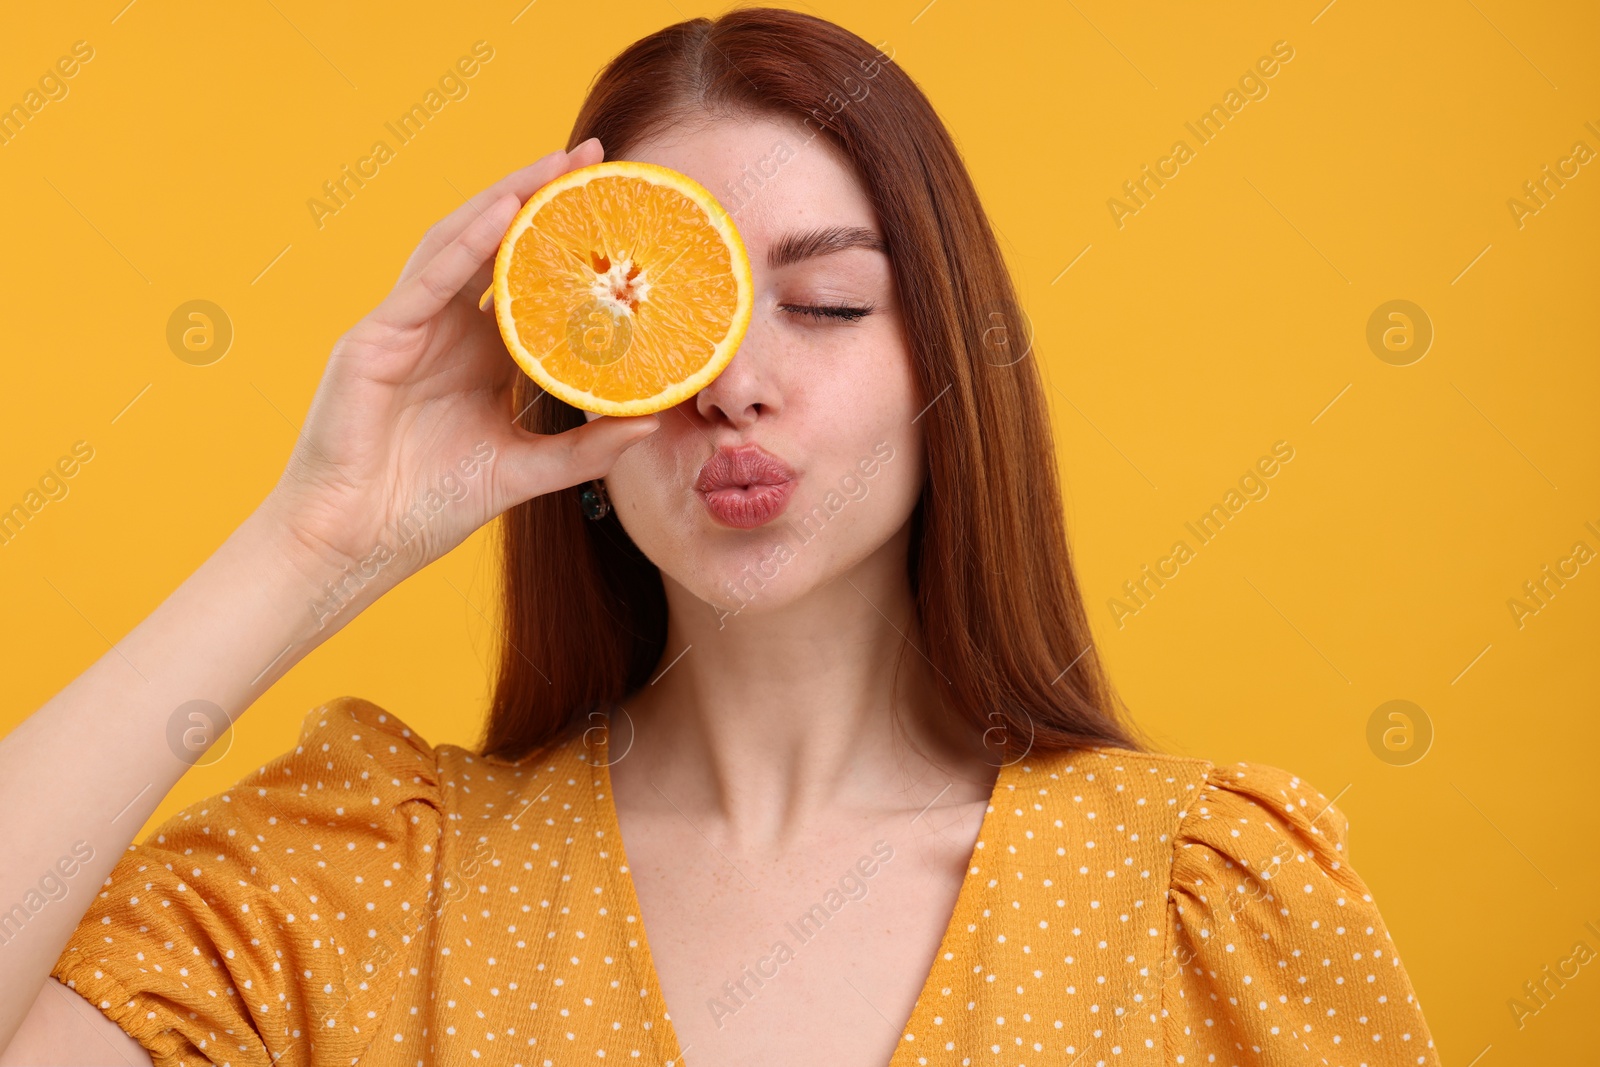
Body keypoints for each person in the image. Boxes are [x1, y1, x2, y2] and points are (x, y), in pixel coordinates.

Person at [0, 9, 1440, 1066]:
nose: (735, 380)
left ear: (948, 354)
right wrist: (317, 540)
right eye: (651, 321)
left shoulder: (1201, 906)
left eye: (826, 304)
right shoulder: (366, 888)